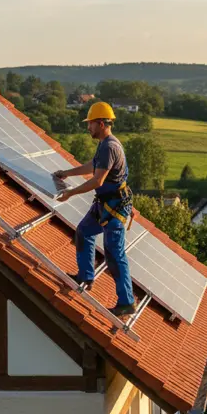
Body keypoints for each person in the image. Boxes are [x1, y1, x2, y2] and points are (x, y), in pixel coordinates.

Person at [53, 101, 136, 316]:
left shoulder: (110, 147)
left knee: (114, 253)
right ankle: (86, 277)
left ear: (100, 123)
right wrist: (67, 173)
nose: (87, 127)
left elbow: (97, 181)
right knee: (84, 232)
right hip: (105, 204)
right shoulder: (105, 144)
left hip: (114, 208)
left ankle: (126, 302)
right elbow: (92, 166)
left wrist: (70, 193)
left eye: (90, 124)